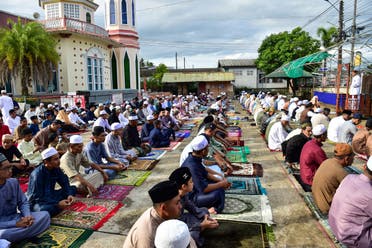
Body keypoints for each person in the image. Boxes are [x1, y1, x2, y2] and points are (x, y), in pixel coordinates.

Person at [0, 153, 50, 243]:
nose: (11, 170)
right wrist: (15, 224)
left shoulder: (13, 182)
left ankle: (16, 237)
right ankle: (21, 234)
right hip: (3, 225)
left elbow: (23, 202)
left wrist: (27, 216)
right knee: (3, 234)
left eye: (10, 167)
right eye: (6, 168)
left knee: (45, 215)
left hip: (16, 217)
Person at [123, 180, 185, 248]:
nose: (180, 206)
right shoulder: (148, 236)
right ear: (163, 208)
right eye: (177, 203)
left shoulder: (163, 214)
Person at [328, 156, 372, 247]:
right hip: (349, 236)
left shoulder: (349, 177)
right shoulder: (369, 194)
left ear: (364, 167)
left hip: (334, 225)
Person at [169, 167, 218, 247]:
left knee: (204, 211)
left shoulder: (183, 194)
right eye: (191, 182)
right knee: (192, 235)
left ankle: (201, 227)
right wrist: (201, 225)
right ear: (184, 186)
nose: (193, 183)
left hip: (182, 219)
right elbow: (177, 228)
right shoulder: (174, 203)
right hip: (175, 228)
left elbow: (191, 207)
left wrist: (204, 215)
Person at [181, 135, 230, 213]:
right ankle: (216, 209)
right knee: (218, 192)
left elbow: (205, 172)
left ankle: (216, 205)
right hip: (192, 197)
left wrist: (220, 179)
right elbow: (203, 189)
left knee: (218, 186)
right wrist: (221, 184)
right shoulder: (192, 166)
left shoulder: (194, 158)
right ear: (203, 151)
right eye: (207, 148)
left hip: (197, 188)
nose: (208, 150)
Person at [27, 147, 77, 216]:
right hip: (39, 201)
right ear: (46, 162)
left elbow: (64, 183)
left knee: (73, 188)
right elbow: (37, 197)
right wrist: (57, 203)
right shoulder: (37, 175)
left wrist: (69, 194)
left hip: (51, 195)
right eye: (56, 159)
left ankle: (59, 206)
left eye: (58, 158)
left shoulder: (56, 168)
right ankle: (57, 207)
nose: (59, 161)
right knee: (45, 210)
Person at [312, 143, 353, 214]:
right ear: (346, 158)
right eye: (353, 156)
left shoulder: (327, 161)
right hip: (326, 208)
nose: (353, 159)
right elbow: (353, 193)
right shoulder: (340, 172)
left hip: (317, 200)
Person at [299, 124, 328, 192]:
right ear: (322, 135)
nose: (327, 136)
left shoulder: (309, 143)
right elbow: (326, 165)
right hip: (310, 180)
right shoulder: (317, 150)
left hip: (304, 175)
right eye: (326, 134)